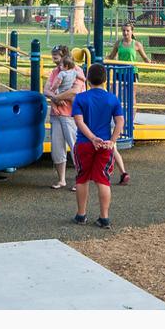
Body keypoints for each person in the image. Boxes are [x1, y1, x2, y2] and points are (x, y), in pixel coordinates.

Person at [71, 63, 124, 228]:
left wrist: (92, 138)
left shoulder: (80, 98)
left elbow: (79, 122)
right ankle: (104, 217)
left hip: (84, 143)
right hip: (105, 145)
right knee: (103, 179)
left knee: (82, 178)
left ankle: (81, 214)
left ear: (87, 79)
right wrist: (112, 141)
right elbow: (120, 121)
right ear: (105, 80)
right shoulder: (112, 99)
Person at [44, 45, 85, 189]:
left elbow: (75, 91)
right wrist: (55, 97)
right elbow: (46, 89)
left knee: (74, 145)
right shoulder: (55, 71)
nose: (54, 58)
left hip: (71, 115)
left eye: (56, 56)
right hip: (57, 114)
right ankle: (61, 179)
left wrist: (57, 97)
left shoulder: (76, 71)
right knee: (57, 147)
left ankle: (81, 179)